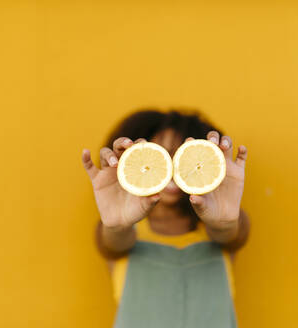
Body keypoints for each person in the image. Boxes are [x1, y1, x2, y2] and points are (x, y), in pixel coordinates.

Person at [81, 109, 250, 328]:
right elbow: (112, 242)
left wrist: (224, 223)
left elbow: (232, 235)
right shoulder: (123, 229)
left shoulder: (218, 224)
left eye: (182, 156)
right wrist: (116, 225)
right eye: (162, 156)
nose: (172, 167)